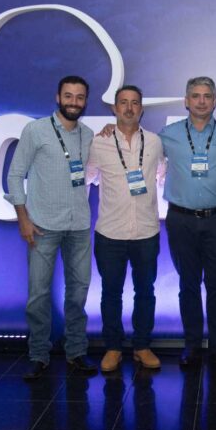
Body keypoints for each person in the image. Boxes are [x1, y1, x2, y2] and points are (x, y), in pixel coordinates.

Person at [6, 75, 97, 380]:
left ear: (86, 101)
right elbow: (15, 175)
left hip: (79, 225)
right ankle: (38, 355)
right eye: (68, 96)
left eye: (80, 97)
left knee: (78, 293)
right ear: (58, 98)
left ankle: (76, 352)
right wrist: (23, 218)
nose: (74, 102)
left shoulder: (88, 134)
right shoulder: (36, 130)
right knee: (38, 295)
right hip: (42, 226)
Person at [159, 76, 216, 371]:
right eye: (195, 96)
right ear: (186, 101)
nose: (201, 101)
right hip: (180, 220)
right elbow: (138, 147)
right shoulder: (168, 134)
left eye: (207, 96)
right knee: (188, 285)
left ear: (215, 101)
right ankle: (192, 346)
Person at [87, 85, 164, 372]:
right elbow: (88, 177)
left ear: (141, 109)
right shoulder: (98, 143)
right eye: (123, 103)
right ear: (114, 108)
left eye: (134, 103)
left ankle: (142, 346)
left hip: (146, 232)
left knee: (146, 292)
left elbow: (162, 174)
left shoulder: (155, 142)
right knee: (110, 293)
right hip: (110, 233)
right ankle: (113, 348)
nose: (129, 108)